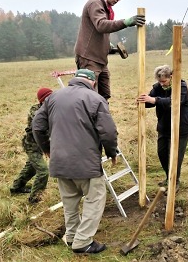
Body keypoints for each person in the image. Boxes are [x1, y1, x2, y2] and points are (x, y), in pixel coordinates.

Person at [32, 69, 118, 254]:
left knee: (69, 201)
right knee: (95, 199)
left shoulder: (52, 98)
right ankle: (83, 242)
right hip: (86, 163)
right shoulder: (96, 99)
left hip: (60, 162)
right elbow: (108, 132)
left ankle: (71, 237)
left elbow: (37, 126)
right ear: (92, 83)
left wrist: (46, 148)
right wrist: (112, 153)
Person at [74, 0, 146, 101]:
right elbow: (101, 25)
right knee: (90, 97)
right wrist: (126, 22)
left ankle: (102, 119)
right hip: (89, 58)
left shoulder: (106, 8)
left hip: (100, 60)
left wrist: (109, 47)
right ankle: (88, 120)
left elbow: (99, 33)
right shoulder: (95, 3)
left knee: (104, 95)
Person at [136, 65, 188, 191]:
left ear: (171, 77)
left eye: (164, 81)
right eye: (159, 81)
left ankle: (174, 182)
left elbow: (174, 102)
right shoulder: (157, 87)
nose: (161, 84)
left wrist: (154, 100)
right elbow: (150, 102)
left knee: (175, 156)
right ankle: (169, 177)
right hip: (164, 127)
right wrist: (142, 101)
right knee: (162, 153)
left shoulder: (181, 86)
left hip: (180, 127)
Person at [10, 87, 53, 204]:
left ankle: (16, 187)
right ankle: (35, 198)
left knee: (31, 168)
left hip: (40, 144)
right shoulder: (35, 110)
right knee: (43, 171)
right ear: (42, 100)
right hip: (32, 145)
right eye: (48, 98)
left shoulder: (52, 108)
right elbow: (41, 121)